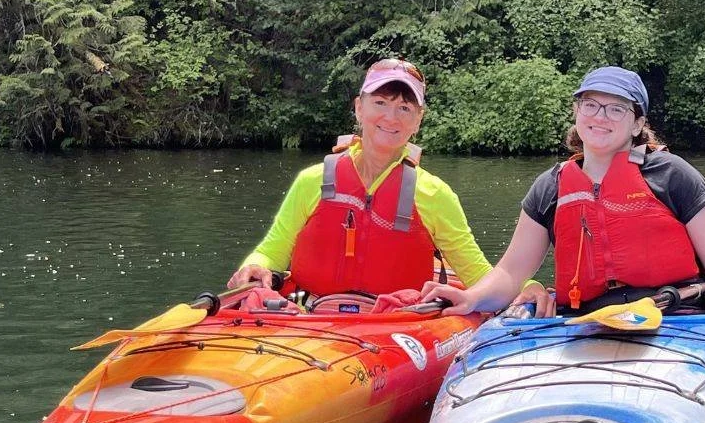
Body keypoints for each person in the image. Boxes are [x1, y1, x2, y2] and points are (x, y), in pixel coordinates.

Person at [418, 65, 705, 320]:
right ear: (577, 112)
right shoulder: (550, 187)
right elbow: (510, 273)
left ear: (637, 123)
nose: (601, 117)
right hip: (584, 323)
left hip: (677, 317)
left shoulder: (672, 174)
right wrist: (472, 298)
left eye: (616, 109)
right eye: (591, 105)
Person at [228, 58, 550, 314]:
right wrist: (254, 266)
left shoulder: (434, 194)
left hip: (394, 324)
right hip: (309, 314)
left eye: (405, 108)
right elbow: (273, 249)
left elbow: (477, 273)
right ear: (359, 107)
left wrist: (526, 286)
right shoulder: (312, 180)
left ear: (418, 120)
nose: (391, 118)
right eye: (380, 102)